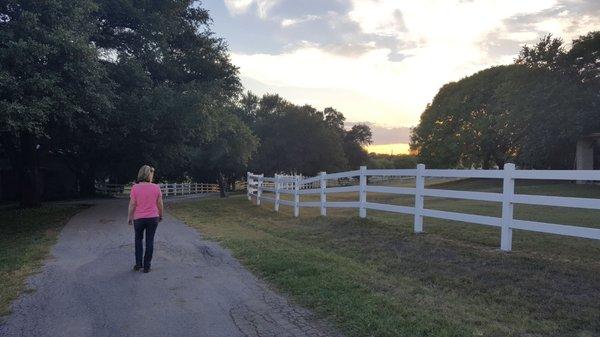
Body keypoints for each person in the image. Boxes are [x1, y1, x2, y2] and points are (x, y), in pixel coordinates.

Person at [127, 165, 163, 273]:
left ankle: (138, 264)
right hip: (153, 218)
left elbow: (132, 204)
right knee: (150, 241)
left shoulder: (135, 188)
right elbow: (160, 204)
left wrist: (129, 217)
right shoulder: (156, 187)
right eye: (151, 174)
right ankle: (147, 266)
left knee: (138, 240)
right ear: (149, 175)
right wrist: (161, 215)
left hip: (139, 219)